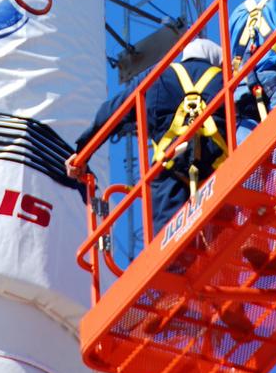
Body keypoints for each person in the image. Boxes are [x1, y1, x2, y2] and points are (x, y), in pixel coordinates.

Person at [66, 38, 237, 233]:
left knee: (171, 248)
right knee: (223, 234)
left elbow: (113, 112)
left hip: (169, 174)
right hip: (217, 172)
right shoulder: (227, 80)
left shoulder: (159, 76)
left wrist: (82, 152)